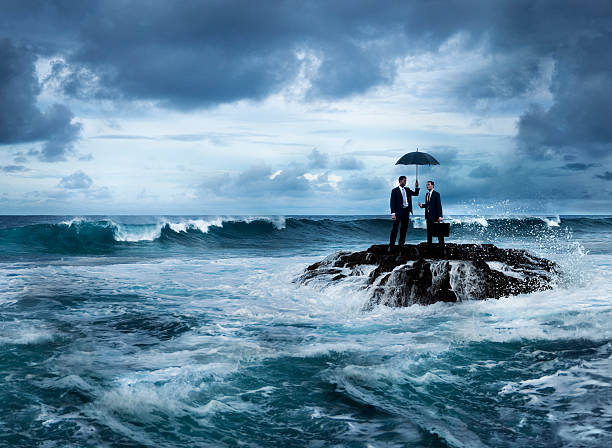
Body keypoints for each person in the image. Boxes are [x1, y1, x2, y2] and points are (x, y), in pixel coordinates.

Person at [389, 176, 419, 250]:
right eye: (404, 180)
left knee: (404, 229)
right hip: (398, 212)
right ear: (400, 181)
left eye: (406, 181)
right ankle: (391, 245)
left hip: (406, 211)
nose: (405, 182)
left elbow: (415, 194)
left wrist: (416, 187)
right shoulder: (394, 190)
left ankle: (401, 244)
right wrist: (393, 213)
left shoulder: (407, 189)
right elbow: (392, 202)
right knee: (395, 229)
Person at [418, 180, 444, 251]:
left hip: (435, 216)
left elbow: (439, 205)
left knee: (438, 232)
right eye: (426, 185)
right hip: (428, 216)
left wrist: (440, 216)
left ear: (432, 185)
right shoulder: (427, 194)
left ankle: (441, 247)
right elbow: (428, 205)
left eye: (428, 184)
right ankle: (429, 246)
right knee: (429, 232)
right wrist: (422, 205)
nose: (427, 186)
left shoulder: (436, 194)